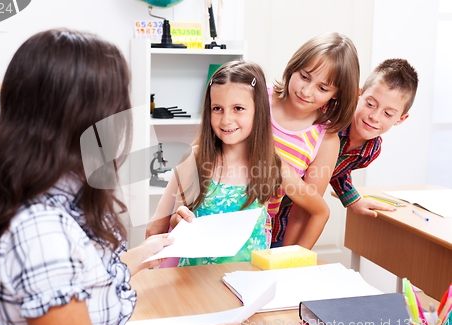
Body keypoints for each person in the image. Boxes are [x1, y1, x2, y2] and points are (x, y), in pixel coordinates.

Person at [0, 29, 241, 325]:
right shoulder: (43, 234)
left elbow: (90, 276)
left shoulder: (65, 193)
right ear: (87, 119)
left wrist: (146, 252)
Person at [146, 60, 329, 266]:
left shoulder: (273, 167)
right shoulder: (193, 160)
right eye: (217, 108)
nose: (226, 120)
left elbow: (320, 211)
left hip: (248, 287)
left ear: (258, 111)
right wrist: (177, 221)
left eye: (238, 108)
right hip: (195, 286)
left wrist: (292, 264)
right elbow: (167, 224)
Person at [278, 58, 419, 247]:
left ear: (400, 119)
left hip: (292, 216)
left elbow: (336, 171)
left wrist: (352, 199)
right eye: (370, 104)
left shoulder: (369, 151)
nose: (374, 117)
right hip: (271, 193)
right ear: (358, 95)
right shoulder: (327, 120)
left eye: (388, 113)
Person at [269, 32, 360, 249]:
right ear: (294, 67)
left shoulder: (326, 140)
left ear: (336, 94)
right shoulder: (257, 98)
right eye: (304, 76)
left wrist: (285, 259)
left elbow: (304, 209)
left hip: (259, 230)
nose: (306, 91)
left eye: (322, 88)